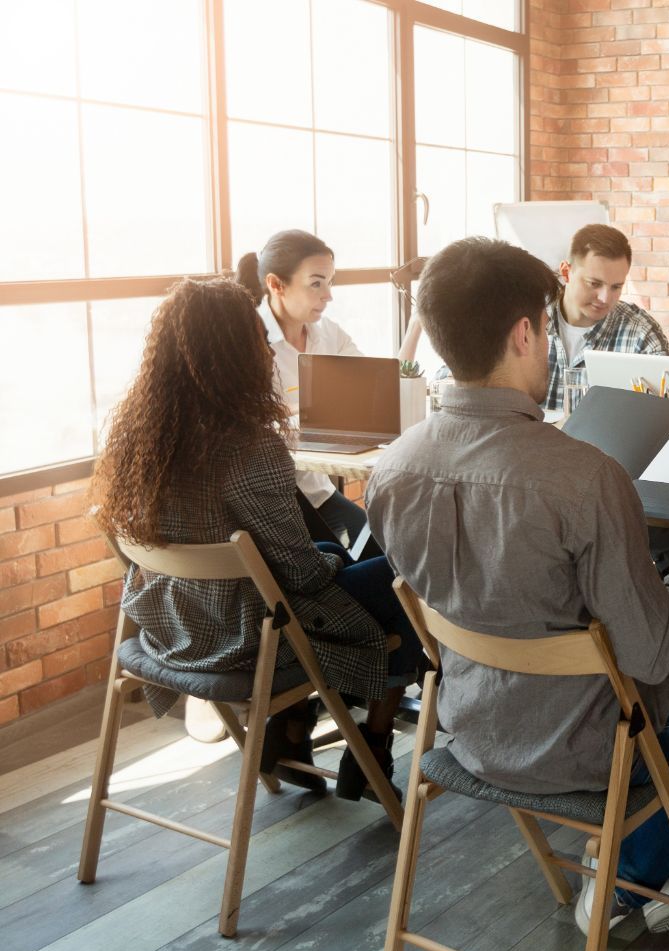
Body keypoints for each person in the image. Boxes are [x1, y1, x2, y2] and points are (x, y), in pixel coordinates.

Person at [365, 237, 669, 935]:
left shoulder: (392, 468)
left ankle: (638, 859)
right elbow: (651, 659)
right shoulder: (584, 476)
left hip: (466, 727)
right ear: (525, 333)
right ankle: (627, 883)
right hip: (586, 743)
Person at [92, 278, 423, 802]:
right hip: (245, 637)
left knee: (340, 555)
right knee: (405, 570)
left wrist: (328, 554)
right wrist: (331, 559)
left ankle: (291, 729)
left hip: (170, 623)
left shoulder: (138, 436)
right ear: (239, 355)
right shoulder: (249, 447)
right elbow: (301, 576)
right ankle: (376, 738)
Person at [398, 224, 669, 411]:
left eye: (616, 287)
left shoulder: (640, 333)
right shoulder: (521, 313)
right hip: (520, 459)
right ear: (566, 272)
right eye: (593, 283)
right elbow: (460, 377)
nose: (604, 297)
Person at [236, 229, 371, 546]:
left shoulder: (328, 334)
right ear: (276, 285)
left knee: (385, 551)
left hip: (316, 489)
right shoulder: (244, 342)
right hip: (271, 500)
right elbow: (248, 428)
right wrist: (321, 404)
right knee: (363, 564)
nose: (328, 295)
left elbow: (372, 386)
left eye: (330, 282)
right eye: (316, 283)